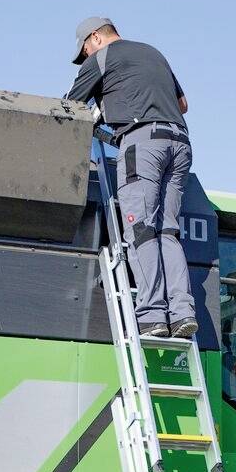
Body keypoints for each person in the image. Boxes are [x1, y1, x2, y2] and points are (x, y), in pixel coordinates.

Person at [66, 17, 197, 340]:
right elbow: (183, 104)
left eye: (84, 51)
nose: (85, 60)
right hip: (180, 143)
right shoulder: (153, 52)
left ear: (95, 38)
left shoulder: (102, 59)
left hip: (143, 144)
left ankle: (152, 315)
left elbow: (70, 108)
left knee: (141, 230)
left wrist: (99, 117)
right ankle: (182, 312)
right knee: (167, 231)